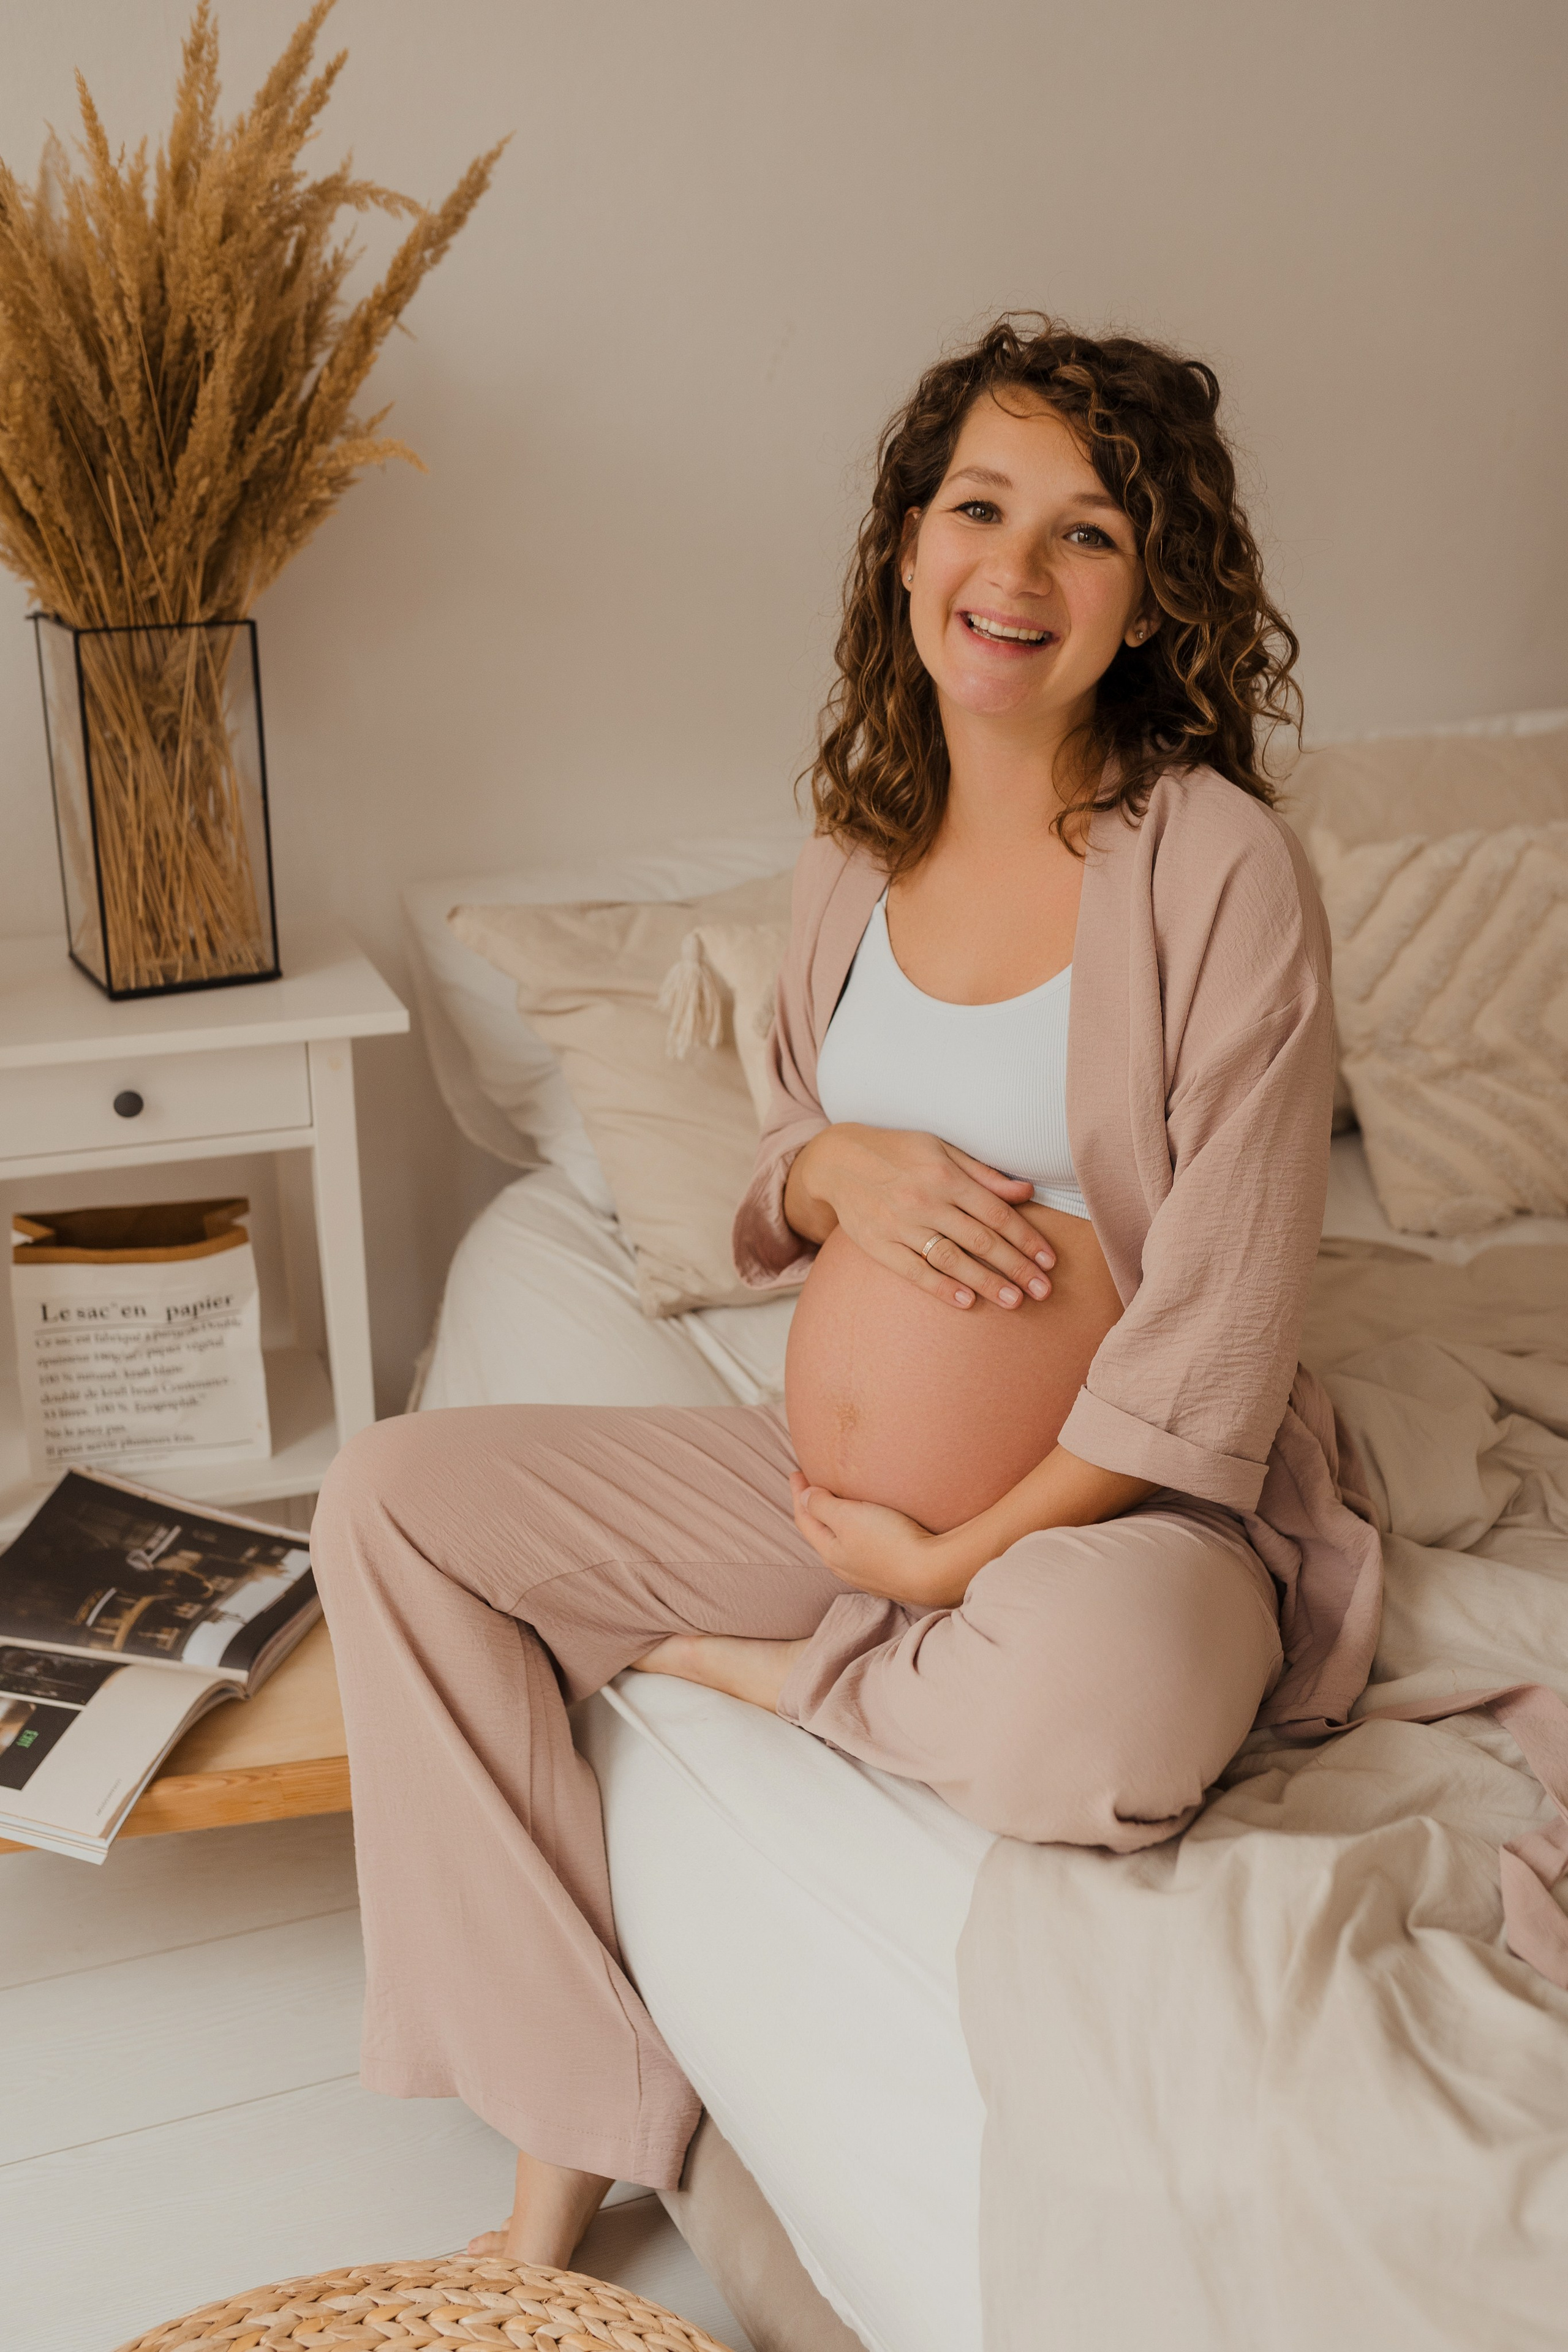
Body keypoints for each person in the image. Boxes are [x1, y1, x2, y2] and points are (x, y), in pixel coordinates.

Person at [311, 314, 1381, 2267]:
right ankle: (576, 2134)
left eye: (1089, 536)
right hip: (826, 1496)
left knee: (1094, 1725)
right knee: (390, 1504)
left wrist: (946, 1565)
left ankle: (778, 1678)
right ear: (905, 548)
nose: (1019, 570)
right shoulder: (848, 855)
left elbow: (1224, 1313)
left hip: (1114, 1513)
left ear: (1149, 607)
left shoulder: (1213, 863)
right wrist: (823, 1164)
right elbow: (788, 1151)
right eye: (981, 508)